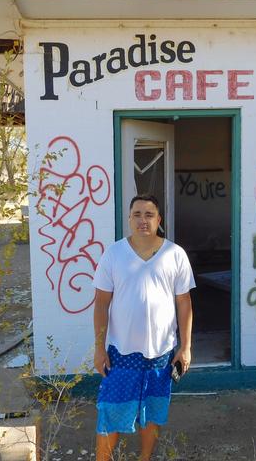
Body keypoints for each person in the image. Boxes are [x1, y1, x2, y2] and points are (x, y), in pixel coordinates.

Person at [92, 194, 195, 461]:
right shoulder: (114, 254)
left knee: (153, 411)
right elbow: (101, 303)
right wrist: (99, 348)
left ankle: (145, 458)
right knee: (110, 410)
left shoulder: (175, 254)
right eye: (137, 214)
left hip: (161, 354)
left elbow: (184, 303)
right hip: (120, 354)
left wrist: (186, 348)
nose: (142, 220)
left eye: (149, 215)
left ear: (159, 220)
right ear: (129, 219)